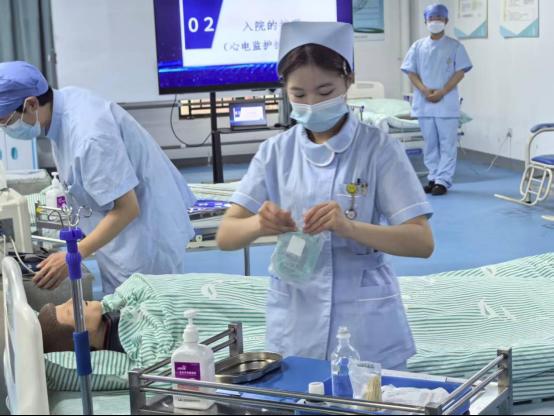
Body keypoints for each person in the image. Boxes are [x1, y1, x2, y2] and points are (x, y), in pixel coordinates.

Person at [216, 22, 435, 371]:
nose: (312, 104)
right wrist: (259, 224)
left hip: (364, 324)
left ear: (348, 80)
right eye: (299, 94)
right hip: (295, 316)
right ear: (284, 90)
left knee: (369, 396)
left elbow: (421, 242)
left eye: (324, 91)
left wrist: (350, 227)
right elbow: (226, 235)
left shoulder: (378, 149)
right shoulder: (276, 152)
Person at [0, 61, 196, 294]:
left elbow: (127, 208)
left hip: (144, 242)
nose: (5, 128)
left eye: (6, 121)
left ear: (31, 104)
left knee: (145, 312)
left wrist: (74, 254)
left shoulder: (89, 136)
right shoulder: (61, 109)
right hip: (120, 238)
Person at [37, 273, 267, 368]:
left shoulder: (120, 302)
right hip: (213, 323)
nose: (73, 300)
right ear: (82, 343)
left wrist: (114, 301)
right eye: (69, 311)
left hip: (221, 295)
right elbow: (162, 365)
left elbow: (145, 284)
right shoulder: (134, 346)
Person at [401, 4, 472, 196]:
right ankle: (433, 177)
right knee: (430, 143)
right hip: (424, 102)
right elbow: (411, 72)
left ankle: (443, 180)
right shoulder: (417, 46)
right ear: (426, 21)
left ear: (446, 21)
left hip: (446, 102)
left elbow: (460, 72)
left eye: (439, 18)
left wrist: (442, 92)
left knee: (447, 144)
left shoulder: (455, 46)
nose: (435, 21)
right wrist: (424, 90)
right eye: (432, 18)